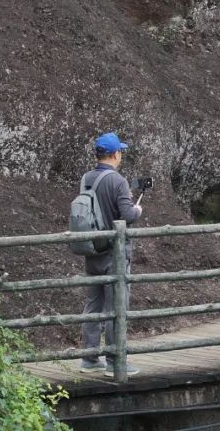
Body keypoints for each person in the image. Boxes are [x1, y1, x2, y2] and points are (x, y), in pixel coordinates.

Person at [77, 132, 143, 376]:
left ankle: (89, 358)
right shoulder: (118, 181)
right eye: (121, 152)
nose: (121, 156)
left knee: (93, 305)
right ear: (115, 154)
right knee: (116, 306)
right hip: (114, 253)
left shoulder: (86, 178)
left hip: (92, 249)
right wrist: (137, 210)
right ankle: (115, 361)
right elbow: (126, 215)